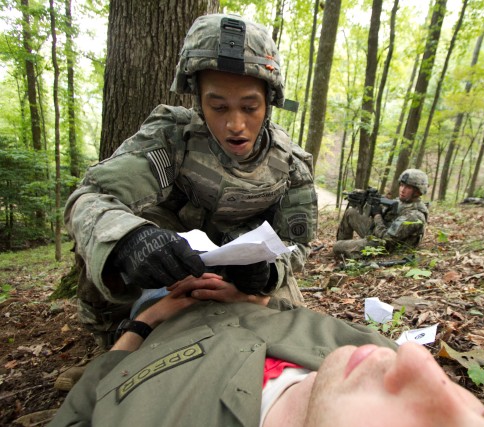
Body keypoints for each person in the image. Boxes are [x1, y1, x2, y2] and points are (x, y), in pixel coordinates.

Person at [64, 13, 317, 347]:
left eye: (250, 107)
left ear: (269, 102)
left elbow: (296, 243)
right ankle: (112, 348)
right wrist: (130, 241)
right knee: (103, 242)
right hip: (169, 262)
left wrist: (270, 271)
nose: (235, 125)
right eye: (219, 107)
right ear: (198, 99)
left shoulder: (289, 164)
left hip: (245, 272)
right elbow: (89, 199)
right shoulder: (172, 139)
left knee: (292, 339)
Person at [48, 275, 484, 427]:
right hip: (227, 289)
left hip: (156, 309)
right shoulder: (371, 358)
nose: (416, 362)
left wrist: (144, 323)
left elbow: (88, 397)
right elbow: (289, 313)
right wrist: (251, 298)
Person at [333, 169, 429, 259]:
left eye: (408, 187)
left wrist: (377, 215)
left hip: (387, 248)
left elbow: (386, 239)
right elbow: (384, 213)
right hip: (379, 235)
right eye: (402, 185)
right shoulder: (402, 202)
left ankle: (341, 251)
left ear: (417, 191)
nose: (402, 190)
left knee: (337, 246)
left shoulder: (414, 215)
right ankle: (341, 252)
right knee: (351, 212)